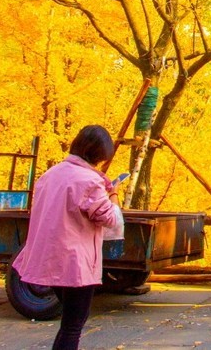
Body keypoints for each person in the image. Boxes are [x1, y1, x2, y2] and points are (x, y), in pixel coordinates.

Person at [11, 125, 124, 350]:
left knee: (69, 324)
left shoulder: (50, 174)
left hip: (49, 257)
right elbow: (110, 219)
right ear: (98, 155)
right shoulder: (89, 181)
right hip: (75, 262)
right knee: (73, 325)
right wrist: (113, 194)